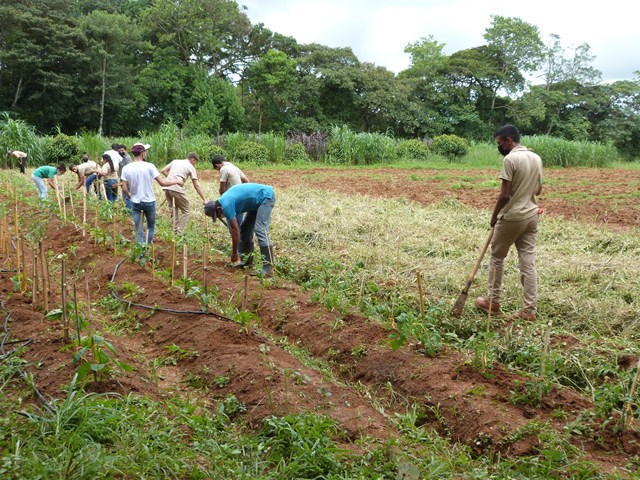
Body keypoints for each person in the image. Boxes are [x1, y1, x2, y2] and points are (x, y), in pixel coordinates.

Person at [475, 124, 543, 321]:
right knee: (528, 263)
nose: (500, 146)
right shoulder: (536, 157)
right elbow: (538, 190)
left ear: (509, 140)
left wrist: (494, 215)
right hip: (531, 216)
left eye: (500, 142)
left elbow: (504, 195)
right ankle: (529, 310)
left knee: (497, 258)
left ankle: (492, 302)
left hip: (512, 217)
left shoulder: (510, 159)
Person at [204, 183, 276, 277]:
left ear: (218, 209)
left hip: (266, 197)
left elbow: (235, 231)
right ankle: (246, 262)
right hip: (256, 202)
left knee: (260, 229)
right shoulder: (222, 202)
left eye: (217, 215)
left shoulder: (226, 205)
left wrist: (234, 253)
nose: (220, 217)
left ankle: (268, 268)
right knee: (245, 229)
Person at [120, 142, 183, 245]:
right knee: (150, 227)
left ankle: (140, 253)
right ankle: (148, 248)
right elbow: (162, 182)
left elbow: (124, 188)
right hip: (149, 202)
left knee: (138, 229)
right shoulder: (149, 166)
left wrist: (130, 196)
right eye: (145, 152)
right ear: (142, 153)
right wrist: (177, 181)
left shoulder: (126, 168)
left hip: (136, 202)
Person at [161, 152, 208, 234]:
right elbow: (196, 185)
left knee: (173, 208)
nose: (195, 165)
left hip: (167, 187)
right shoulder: (190, 167)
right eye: (195, 162)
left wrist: (171, 180)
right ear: (192, 159)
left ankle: (174, 230)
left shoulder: (175, 161)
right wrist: (204, 199)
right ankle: (179, 231)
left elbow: (163, 170)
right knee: (186, 210)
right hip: (177, 189)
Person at [211, 154, 250, 225]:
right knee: (239, 222)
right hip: (241, 198)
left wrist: (222, 201)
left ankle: (236, 234)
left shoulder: (223, 169)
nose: (219, 171)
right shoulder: (234, 167)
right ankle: (240, 234)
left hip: (232, 199)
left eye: (217, 169)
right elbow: (247, 181)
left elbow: (222, 188)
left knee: (232, 224)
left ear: (217, 165)